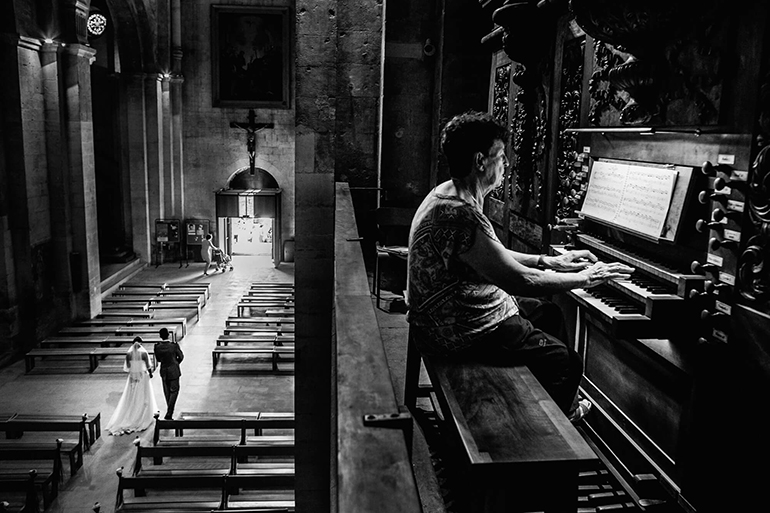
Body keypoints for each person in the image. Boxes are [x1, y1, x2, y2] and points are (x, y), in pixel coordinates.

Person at [407, 111, 634, 422]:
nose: (507, 164)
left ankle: (554, 400)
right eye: (501, 156)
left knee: (550, 314)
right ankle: (544, 430)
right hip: (458, 332)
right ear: (480, 161)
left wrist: (548, 261)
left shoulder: (448, 193)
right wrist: (586, 277)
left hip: (455, 315)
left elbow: (492, 255)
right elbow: (520, 282)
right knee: (567, 363)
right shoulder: (460, 214)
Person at [105, 337, 158, 435]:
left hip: (133, 377)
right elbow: (148, 366)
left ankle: (131, 414)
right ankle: (143, 415)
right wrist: (150, 374)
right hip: (142, 377)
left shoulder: (129, 354)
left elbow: (128, 367)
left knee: (132, 397)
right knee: (144, 396)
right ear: (141, 344)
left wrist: (135, 368)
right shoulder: (144, 353)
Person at [154, 327, 184, 420]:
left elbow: (158, 359)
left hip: (164, 370)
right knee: (174, 391)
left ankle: (169, 410)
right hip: (173, 370)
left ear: (160, 336)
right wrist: (175, 363)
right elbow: (181, 356)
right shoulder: (173, 346)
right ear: (168, 335)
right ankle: (169, 412)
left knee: (167, 392)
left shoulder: (157, 347)